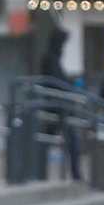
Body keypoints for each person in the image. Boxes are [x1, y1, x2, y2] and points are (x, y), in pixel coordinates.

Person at [36, 27, 83, 180]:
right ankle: (74, 173)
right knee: (68, 140)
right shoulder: (50, 58)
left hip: (58, 105)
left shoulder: (54, 58)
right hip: (56, 106)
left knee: (49, 141)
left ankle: (40, 172)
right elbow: (53, 81)